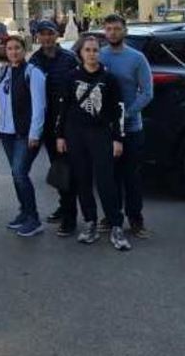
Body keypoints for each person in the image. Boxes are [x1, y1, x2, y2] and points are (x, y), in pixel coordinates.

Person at [56, 35, 131, 250]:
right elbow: (63, 109)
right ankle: (90, 223)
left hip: (101, 135)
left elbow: (119, 111)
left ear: (100, 52)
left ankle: (116, 225)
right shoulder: (71, 77)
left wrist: (118, 138)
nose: (91, 54)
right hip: (75, 135)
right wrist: (60, 135)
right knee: (82, 181)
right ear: (81, 53)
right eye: (87, 50)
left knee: (106, 181)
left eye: (95, 50)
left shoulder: (109, 79)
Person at [99, 13, 153, 238]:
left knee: (131, 177)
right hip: (105, 130)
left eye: (117, 28)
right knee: (110, 177)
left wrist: (126, 114)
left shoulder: (137, 58)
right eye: (109, 29)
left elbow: (147, 93)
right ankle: (112, 216)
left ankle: (136, 219)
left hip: (131, 129)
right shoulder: (98, 55)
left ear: (125, 31)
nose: (113, 32)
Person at [28, 19, 80, 236]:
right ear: (38, 37)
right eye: (42, 34)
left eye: (50, 33)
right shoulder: (35, 59)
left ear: (57, 35)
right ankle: (64, 206)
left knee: (66, 168)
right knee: (57, 168)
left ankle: (70, 219)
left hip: (66, 124)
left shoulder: (69, 59)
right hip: (46, 124)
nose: (46, 38)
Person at [0, 34, 47, 238]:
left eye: (17, 48)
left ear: (25, 50)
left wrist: (35, 133)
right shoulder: (5, 71)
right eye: (9, 49)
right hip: (7, 133)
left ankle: (34, 219)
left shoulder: (33, 73)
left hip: (25, 134)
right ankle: (24, 213)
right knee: (17, 175)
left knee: (20, 173)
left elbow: (39, 106)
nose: (13, 52)